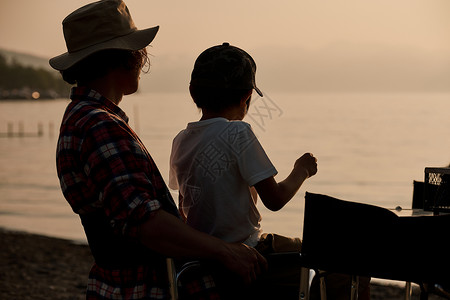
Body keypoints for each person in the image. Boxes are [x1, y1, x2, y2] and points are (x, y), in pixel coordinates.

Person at [51, 1, 267, 299]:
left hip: (124, 282)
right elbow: (146, 223)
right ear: (123, 58)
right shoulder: (99, 126)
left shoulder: (85, 118)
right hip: (150, 285)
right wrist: (226, 251)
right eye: (139, 51)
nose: (143, 58)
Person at [169, 43, 371, 299]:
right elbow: (274, 200)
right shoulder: (237, 132)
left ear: (192, 92)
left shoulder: (181, 139)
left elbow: (184, 207)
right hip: (252, 250)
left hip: (206, 257)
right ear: (246, 97)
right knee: (354, 267)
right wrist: (302, 170)